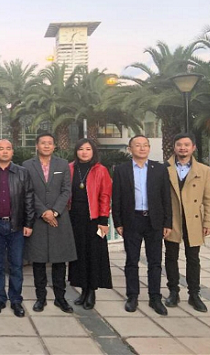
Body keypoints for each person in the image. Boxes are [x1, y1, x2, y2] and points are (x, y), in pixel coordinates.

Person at [112, 135, 172, 315]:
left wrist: (167, 222)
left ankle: (155, 297)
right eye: (137, 145)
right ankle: (132, 296)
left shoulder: (159, 169)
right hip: (132, 220)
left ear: (149, 148)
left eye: (145, 145)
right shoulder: (121, 170)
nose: (142, 148)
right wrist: (118, 222)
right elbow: (117, 197)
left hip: (154, 221)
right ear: (130, 149)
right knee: (132, 261)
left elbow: (166, 197)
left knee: (155, 262)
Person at [22, 133, 77, 314]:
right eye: (43, 143)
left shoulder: (63, 164)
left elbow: (66, 190)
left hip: (59, 219)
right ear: (36, 146)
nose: (46, 146)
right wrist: (43, 212)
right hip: (38, 219)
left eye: (50, 143)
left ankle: (61, 298)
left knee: (59, 261)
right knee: (38, 261)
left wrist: (54, 211)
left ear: (54, 146)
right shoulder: (27, 165)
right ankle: (41, 298)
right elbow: (28, 191)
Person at [164, 132, 210, 312]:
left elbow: (209, 198)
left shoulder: (204, 170)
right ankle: (173, 291)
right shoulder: (164, 168)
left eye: (186, 145)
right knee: (170, 257)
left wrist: (208, 222)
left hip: (193, 220)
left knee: (193, 259)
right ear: (174, 147)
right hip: (172, 220)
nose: (183, 148)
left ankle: (194, 294)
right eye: (179, 144)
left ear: (193, 147)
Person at [0, 139, 34, 317]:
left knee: (16, 265)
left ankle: (15, 299)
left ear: (12, 152)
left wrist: (28, 223)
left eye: (8, 148)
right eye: (1, 148)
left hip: (17, 225)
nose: (4, 151)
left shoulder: (22, 172)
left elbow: (29, 199)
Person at [68, 138, 113, 310]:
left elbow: (105, 196)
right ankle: (83, 290)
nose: (84, 152)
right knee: (78, 255)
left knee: (93, 255)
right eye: (81, 149)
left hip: (93, 219)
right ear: (76, 151)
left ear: (93, 151)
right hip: (74, 218)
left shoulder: (100, 170)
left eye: (88, 149)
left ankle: (91, 291)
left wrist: (103, 220)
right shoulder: (70, 168)